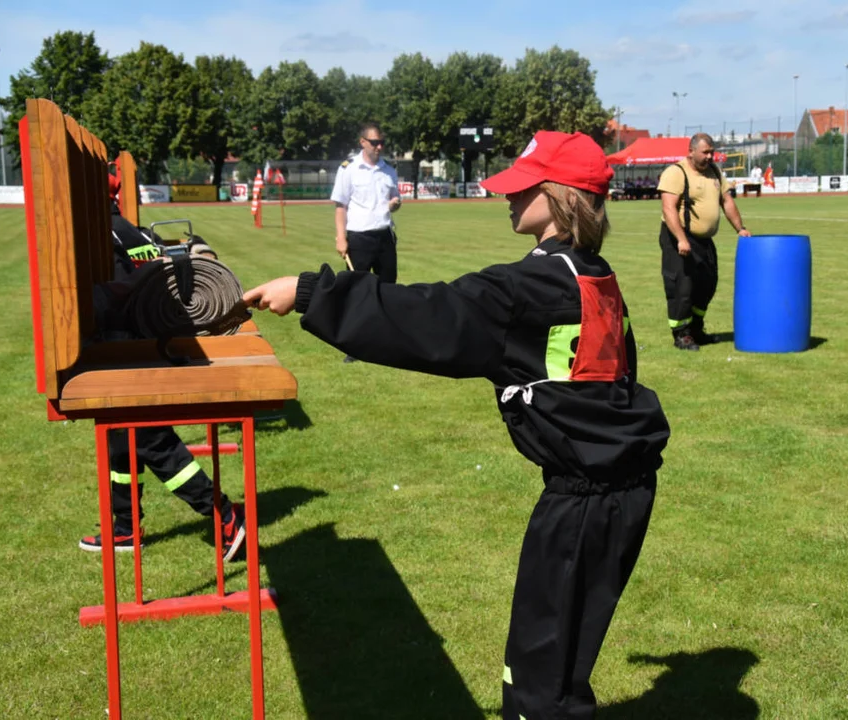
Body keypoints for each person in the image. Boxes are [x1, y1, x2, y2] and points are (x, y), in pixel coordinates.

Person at [244, 130, 671, 720]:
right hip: (617, 488)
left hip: (584, 500)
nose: (508, 198)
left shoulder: (531, 287)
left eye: (522, 189)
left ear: (558, 195)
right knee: (562, 664)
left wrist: (313, 292)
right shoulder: (593, 274)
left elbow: (427, 316)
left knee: (539, 682)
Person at [79, 172, 246, 562]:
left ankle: (223, 513)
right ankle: (125, 528)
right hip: (141, 350)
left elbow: (117, 299)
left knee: (152, 441)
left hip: (127, 355)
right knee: (121, 444)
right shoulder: (132, 232)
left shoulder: (106, 236)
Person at [656, 132, 752, 351]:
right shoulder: (676, 172)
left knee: (708, 284)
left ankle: (697, 329)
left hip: (704, 240)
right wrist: (681, 239)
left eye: (712, 152)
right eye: (705, 152)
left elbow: (727, 202)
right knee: (683, 286)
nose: (710, 156)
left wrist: (741, 228)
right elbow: (668, 208)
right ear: (691, 151)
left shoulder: (715, 173)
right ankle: (681, 334)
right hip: (678, 237)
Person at [331, 122, 402, 363]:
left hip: (384, 237)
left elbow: (396, 198)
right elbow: (340, 207)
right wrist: (341, 238)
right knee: (357, 292)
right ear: (362, 142)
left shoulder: (389, 169)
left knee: (387, 289)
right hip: (359, 238)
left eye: (381, 142)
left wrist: (395, 203)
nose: (379, 147)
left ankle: (387, 341)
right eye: (374, 143)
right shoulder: (349, 169)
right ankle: (355, 346)